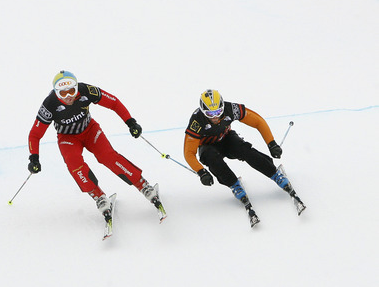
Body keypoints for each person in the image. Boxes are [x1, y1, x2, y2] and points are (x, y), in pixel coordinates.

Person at [28, 70, 164, 221]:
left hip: (90, 130)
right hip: (68, 138)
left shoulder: (86, 90)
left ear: (77, 87)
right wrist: (34, 157)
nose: (68, 97)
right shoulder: (50, 104)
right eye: (63, 93)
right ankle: (98, 196)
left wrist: (130, 122)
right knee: (73, 163)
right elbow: (35, 134)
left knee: (107, 156)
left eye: (72, 91)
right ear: (56, 92)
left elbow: (113, 102)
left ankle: (142, 184)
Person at [183, 89, 305, 225]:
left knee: (244, 150)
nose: (216, 117)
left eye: (218, 112)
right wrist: (202, 172)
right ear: (203, 111)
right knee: (211, 158)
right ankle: (234, 184)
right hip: (208, 146)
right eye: (210, 114)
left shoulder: (230, 109)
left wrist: (271, 144)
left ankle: (274, 173)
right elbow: (189, 153)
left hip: (227, 139)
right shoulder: (196, 120)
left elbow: (258, 121)